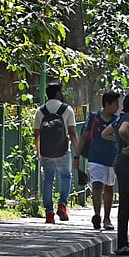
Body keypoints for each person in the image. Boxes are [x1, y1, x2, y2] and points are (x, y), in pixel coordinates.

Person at [33, 82, 80, 224]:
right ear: (58, 93)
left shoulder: (40, 111)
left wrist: (38, 151)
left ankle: (49, 213)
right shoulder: (67, 110)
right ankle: (62, 205)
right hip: (63, 150)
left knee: (48, 179)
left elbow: (37, 134)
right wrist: (79, 151)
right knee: (66, 176)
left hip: (46, 151)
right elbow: (72, 132)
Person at [103, 92, 129, 255]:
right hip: (127, 167)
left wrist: (121, 143)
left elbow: (105, 133)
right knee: (126, 205)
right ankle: (122, 244)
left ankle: (123, 242)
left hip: (122, 164)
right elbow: (123, 131)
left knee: (125, 205)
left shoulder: (120, 118)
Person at [75, 90, 120, 230]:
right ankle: (97, 215)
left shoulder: (117, 120)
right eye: (116, 104)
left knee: (109, 188)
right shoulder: (94, 117)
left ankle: (107, 218)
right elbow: (83, 137)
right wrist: (77, 156)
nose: (117, 107)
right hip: (95, 158)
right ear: (108, 104)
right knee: (97, 185)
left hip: (112, 158)